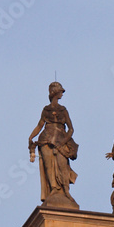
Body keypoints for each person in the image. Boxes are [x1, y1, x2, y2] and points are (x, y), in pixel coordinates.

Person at [28, 81, 79, 209]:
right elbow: (40, 125)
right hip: (46, 139)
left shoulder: (63, 110)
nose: (62, 93)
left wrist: (64, 141)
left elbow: (71, 129)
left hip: (60, 140)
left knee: (63, 166)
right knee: (49, 166)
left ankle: (65, 192)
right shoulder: (46, 110)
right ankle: (53, 190)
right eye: (60, 91)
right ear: (55, 92)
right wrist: (31, 137)